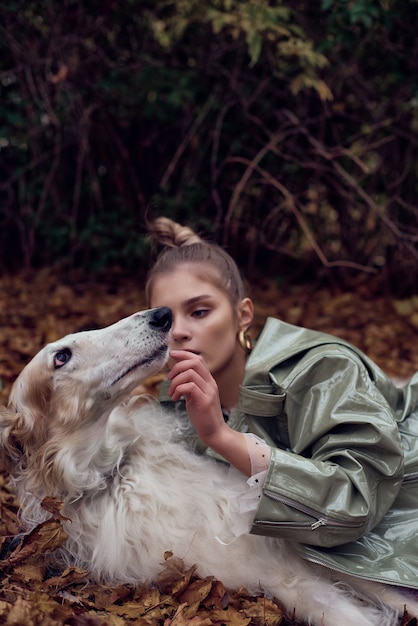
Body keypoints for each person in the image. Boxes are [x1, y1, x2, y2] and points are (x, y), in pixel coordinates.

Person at [145, 216, 418, 589]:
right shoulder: (176, 400)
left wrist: (223, 438)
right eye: (164, 320)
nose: (178, 331)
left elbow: (355, 502)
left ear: (243, 315)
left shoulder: (321, 369)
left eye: (199, 311)